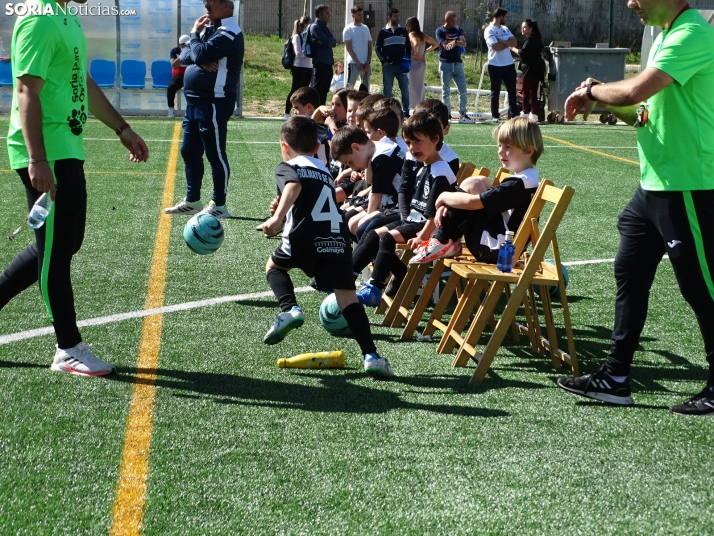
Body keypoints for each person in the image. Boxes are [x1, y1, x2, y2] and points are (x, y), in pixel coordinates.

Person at [558, 0, 714, 416]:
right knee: (629, 272)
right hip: (655, 187)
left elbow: (632, 90)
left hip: (688, 185)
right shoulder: (667, 36)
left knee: (701, 289)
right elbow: (644, 111)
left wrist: (594, 90)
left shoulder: (691, 34)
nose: (631, 3)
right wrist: (608, 104)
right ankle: (616, 377)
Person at [1, 0, 149, 376]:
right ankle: (67, 347)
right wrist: (37, 159)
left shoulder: (63, 16)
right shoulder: (37, 18)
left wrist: (122, 128)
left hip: (66, 149)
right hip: (47, 152)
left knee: (61, 244)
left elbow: (80, 81)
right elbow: (26, 91)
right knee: (55, 249)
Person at [261, 116, 394, 378]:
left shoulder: (288, 165)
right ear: (315, 148)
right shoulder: (323, 169)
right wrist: (284, 207)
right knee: (348, 299)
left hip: (305, 237)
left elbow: (295, 184)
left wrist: (277, 218)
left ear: (284, 146)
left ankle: (290, 309)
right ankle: (372, 356)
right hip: (337, 239)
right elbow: (314, 197)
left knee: (274, 267)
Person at [342, 113, 456, 301]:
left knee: (385, 238)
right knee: (373, 235)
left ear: (435, 139)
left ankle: (375, 287)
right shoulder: (424, 166)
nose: (412, 148)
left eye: (417, 141)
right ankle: (351, 276)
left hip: (428, 227)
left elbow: (433, 214)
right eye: (408, 143)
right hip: (414, 220)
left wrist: (422, 237)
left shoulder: (440, 171)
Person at [410, 117, 541, 264]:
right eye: (499, 146)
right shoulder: (527, 179)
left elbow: (474, 203)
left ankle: (443, 239)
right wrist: (450, 203)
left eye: (508, 147)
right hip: (500, 244)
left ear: (529, 151)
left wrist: (444, 197)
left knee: (471, 190)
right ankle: (446, 240)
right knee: (479, 181)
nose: (500, 152)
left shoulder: (518, 184)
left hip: (494, 249)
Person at [164, 0, 244, 219]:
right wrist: (198, 52)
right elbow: (185, 58)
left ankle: (219, 205)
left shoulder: (231, 31)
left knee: (214, 153)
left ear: (227, 5)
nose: (206, 4)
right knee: (189, 150)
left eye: (212, 1)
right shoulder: (210, 28)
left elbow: (195, 53)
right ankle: (192, 201)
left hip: (214, 101)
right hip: (195, 101)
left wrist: (195, 42)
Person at [435, 11, 474, 124]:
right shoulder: (440, 31)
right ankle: (447, 115)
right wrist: (455, 42)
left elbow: (464, 43)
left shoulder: (458, 29)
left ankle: (463, 114)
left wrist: (456, 42)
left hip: (457, 63)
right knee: (445, 90)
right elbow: (446, 46)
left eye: (455, 21)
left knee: (463, 89)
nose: (454, 23)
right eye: (452, 21)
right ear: (446, 20)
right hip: (445, 63)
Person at [484, 7, 518, 123]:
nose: (506, 19)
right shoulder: (489, 30)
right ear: (500, 17)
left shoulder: (505, 29)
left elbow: (514, 42)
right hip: (495, 65)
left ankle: (514, 114)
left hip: (508, 64)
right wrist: (507, 44)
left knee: (512, 90)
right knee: (495, 91)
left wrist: (502, 41)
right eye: (505, 16)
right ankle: (495, 115)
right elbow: (495, 47)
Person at [375, 8, 411, 119]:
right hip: (388, 66)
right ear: (389, 17)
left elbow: (408, 47)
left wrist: (407, 60)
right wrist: (383, 60)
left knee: (404, 89)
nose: (397, 18)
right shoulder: (383, 32)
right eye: (395, 16)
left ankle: (405, 112)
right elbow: (377, 48)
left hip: (401, 66)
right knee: (387, 90)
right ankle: (387, 111)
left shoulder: (403, 31)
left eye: (398, 16)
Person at [510, 19, 544, 122]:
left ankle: (525, 112)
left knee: (525, 91)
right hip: (536, 69)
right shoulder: (535, 38)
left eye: (524, 27)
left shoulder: (530, 39)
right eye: (522, 27)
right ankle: (533, 113)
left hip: (530, 69)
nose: (522, 29)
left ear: (530, 29)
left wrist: (512, 48)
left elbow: (522, 52)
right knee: (533, 92)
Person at [284, 16, 312, 120]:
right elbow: (299, 54)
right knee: (295, 90)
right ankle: (287, 112)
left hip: (309, 67)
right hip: (299, 67)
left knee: (305, 91)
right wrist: (309, 54)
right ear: (305, 25)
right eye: (310, 23)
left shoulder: (310, 37)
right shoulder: (297, 37)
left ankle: (302, 112)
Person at [406, 16, 438, 110]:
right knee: (420, 87)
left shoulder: (411, 34)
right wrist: (425, 52)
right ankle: (420, 105)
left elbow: (415, 44)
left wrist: (415, 53)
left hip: (413, 64)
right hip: (422, 64)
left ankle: (412, 106)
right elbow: (436, 43)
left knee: (411, 86)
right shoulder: (422, 35)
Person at [309, 4, 337, 105]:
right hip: (320, 63)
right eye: (327, 13)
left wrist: (328, 42)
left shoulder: (325, 27)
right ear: (320, 15)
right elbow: (326, 41)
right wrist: (327, 42)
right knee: (318, 90)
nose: (329, 15)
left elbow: (334, 42)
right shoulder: (315, 27)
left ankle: (321, 113)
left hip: (328, 63)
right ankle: (314, 113)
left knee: (325, 90)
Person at [343, 5, 372, 91]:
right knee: (349, 87)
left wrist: (368, 61)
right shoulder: (348, 29)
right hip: (353, 63)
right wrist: (358, 63)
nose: (361, 16)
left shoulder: (365, 28)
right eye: (359, 14)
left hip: (365, 63)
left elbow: (369, 46)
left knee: (366, 88)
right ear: (353, 15)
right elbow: (349, 48)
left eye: (362, 14)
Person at [167, 35, 190, 118]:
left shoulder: (192, 51)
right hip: (178, 76)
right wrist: (182, 55)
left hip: (190, 75)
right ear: (181, 45)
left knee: (198, 88)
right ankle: (170, 109)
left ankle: (193, 110)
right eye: (186, 45)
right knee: (171, 87)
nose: (188, 47)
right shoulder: (174, 51)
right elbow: (174, 65)